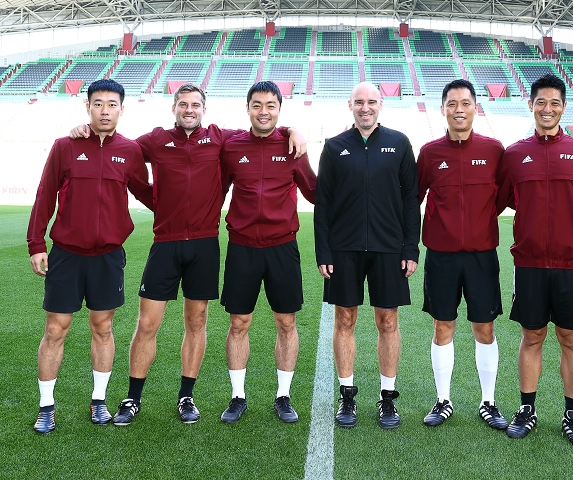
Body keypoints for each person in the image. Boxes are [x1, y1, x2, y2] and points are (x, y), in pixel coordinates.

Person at [70, 83, 306, 426]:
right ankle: (132, 398)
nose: (189, 109)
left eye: (195, 104)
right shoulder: (154, 139)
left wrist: (291, 129)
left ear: (204, 109)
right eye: (183, 104)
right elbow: (119, 151)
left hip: (204, 245)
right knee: (147, 323)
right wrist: (87, 131)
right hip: (165, 244)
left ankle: (186, 397)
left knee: (196, 322)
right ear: (174, 108)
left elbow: (262, 129)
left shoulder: (220, 138)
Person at [497, 74, 573, 447]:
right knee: (532, 336)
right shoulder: (515, 154)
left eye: (554, 103)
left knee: (571, 337)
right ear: (530, 105)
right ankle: (527, 409)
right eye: (540, 102)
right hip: (530, 263)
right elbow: (500, 200)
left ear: (563, 107)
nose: (547, 109)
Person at [27, 79, 153, 434]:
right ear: (88, 107)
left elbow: (149, 194)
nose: (105, 111)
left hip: (108, 257)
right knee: (55, 328)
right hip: (66, 255)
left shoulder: (130, 151)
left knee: (103, 327)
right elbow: (45, 193)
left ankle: (99, 401)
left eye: (112, 104)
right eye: (98, 104)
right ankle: (47, 407)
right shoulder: (65, 146)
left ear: (121, 109)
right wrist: (36, 243)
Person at [314, 81, 420, 429]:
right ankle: (347, 396)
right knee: (345, 320)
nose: (365, 107)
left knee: (388, 321)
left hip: (389, 249)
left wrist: (410, 248)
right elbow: (323, 204)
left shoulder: (399, 143)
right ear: (349, 105)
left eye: (371, 101)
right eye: (358, 101)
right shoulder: (333, 147)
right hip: (343, 250)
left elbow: (410, 201)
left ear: (381, 104)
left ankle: (387, 398)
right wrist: (323, 250)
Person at [218, 81, 316, 424]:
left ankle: (283, 396)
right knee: (238, 322)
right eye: (257, 105)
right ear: (248, 109)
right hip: (242, 247)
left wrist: (296, 132)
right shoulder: (231, 146)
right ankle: (237, 396)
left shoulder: (292, 148)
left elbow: (316, 192)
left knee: (286, 322)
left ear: (279, 109)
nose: (264, 111)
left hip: (281, 247)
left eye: (271, 105)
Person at [417, 79, 508, 430]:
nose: (459, 108)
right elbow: (415, 198)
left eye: (465, 103)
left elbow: (502, 197)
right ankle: (443, 400)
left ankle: (488, 401)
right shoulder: (429, 153)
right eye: (452, 103)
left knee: (484, 327)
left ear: (475, 107)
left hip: (482, 256)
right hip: (441, 256)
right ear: (443, 109)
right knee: (444, 326)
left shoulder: (495, 149)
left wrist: (481, 222)